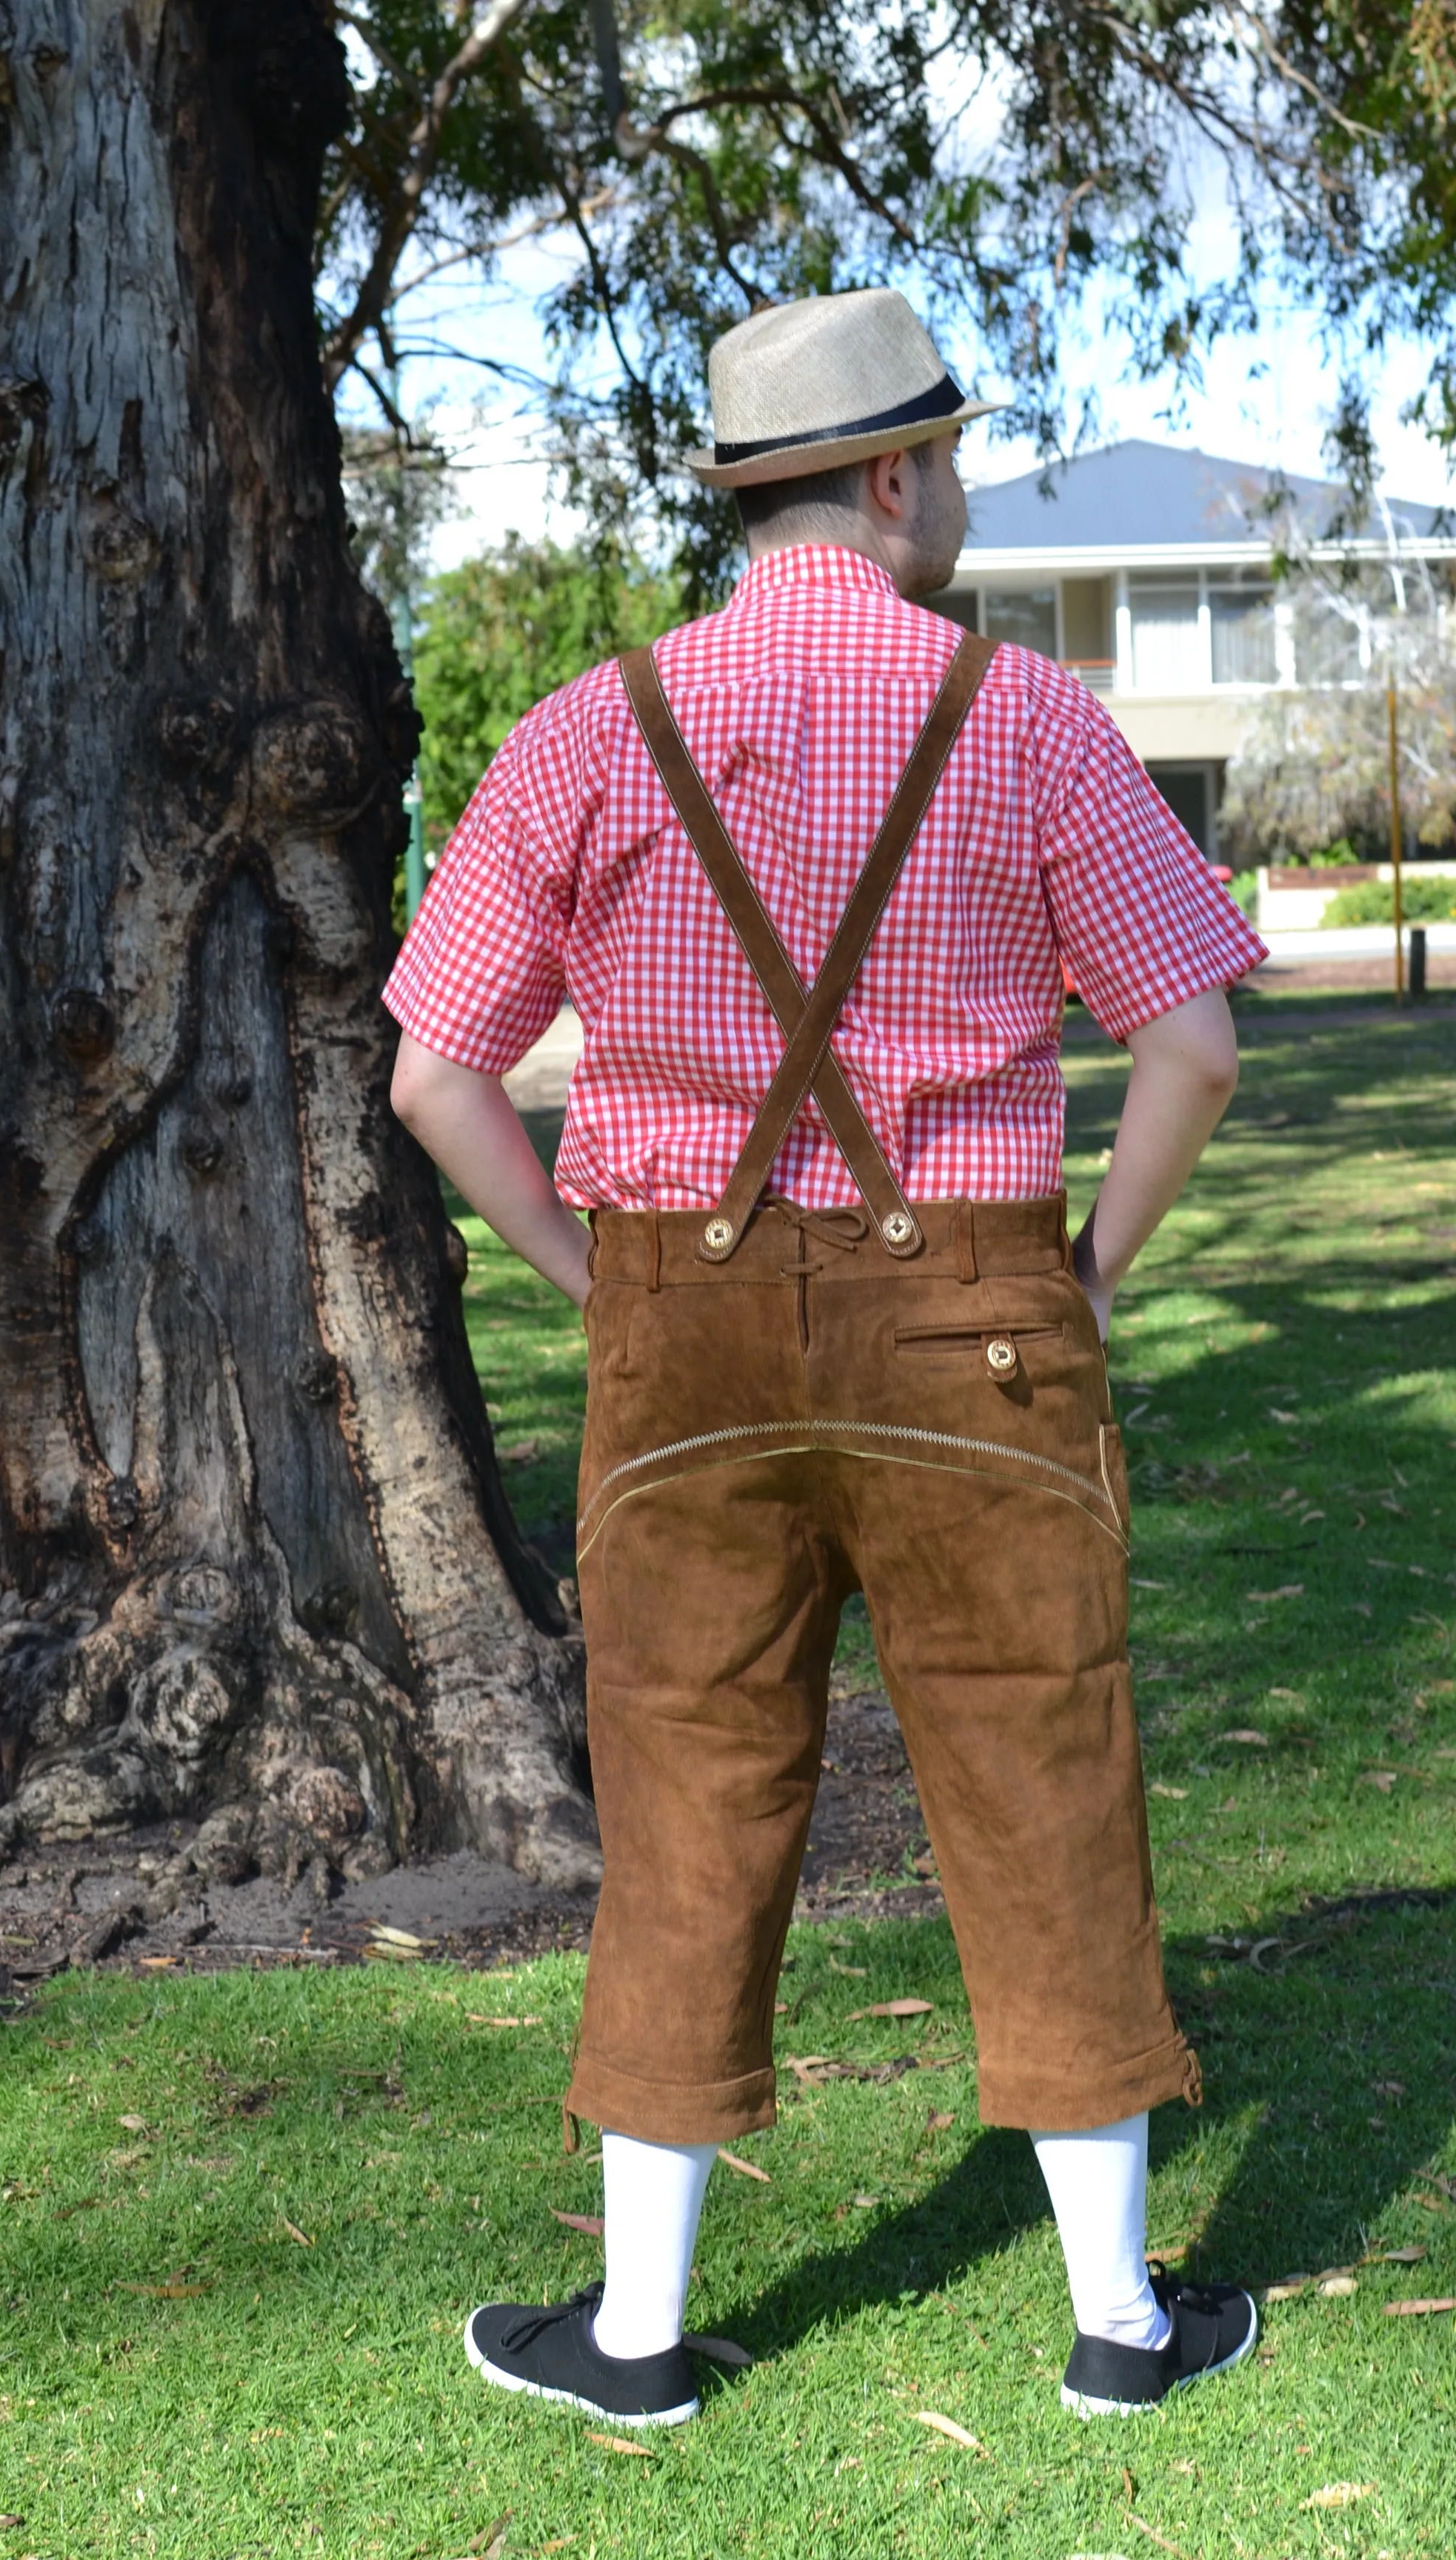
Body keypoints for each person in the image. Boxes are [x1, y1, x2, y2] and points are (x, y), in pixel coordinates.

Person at [384, 287, 1269, 2429]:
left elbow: (434, 1077)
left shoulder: (586, 732)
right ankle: (1120, 2330)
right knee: (1038, 1764)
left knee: (689, 1787)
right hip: (976, 1306)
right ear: (891, 477)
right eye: (949, 460)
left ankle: (635, 2341)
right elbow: (1192, 1045)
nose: (954, 492)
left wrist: (600, 1286)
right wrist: (1093, 1268)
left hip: (674, 1319)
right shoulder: (1028, 717)